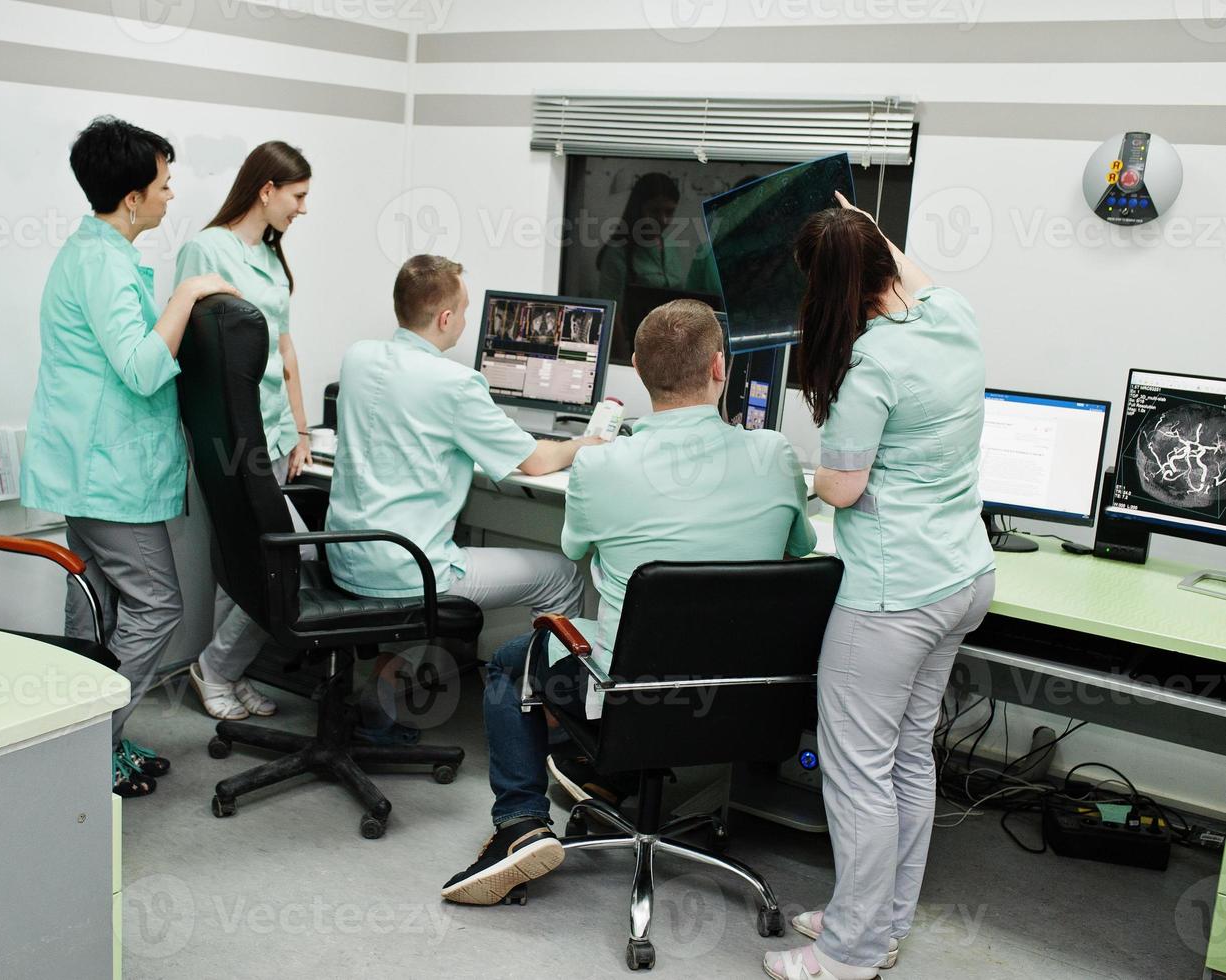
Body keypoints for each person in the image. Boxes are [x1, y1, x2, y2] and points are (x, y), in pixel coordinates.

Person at [441, 299, 816, 905]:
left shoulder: (601, 466)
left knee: (514, 663)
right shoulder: (776, 457)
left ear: (637, 369)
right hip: (748, 704)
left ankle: (520, 824)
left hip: (633, 696)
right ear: (721, 367)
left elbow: (575, 547)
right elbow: (799, 546)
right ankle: (604, 781)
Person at [762, 194, 995, 980]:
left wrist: (813, 475)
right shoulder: (953, 313)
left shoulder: (871, 367)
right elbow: (907, 270)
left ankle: (849, 953)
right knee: (906, 762)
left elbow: (842, 489)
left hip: (893, 594)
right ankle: (879, 921)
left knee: (858, 770)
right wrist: (861, 224)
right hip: (963, 575)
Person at [19, 116, 240, 798]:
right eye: (165, 184)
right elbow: (144, 370)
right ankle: (90, 743)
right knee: (155, 606)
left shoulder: (93, 252)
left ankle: (89, 743)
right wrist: (186, 292)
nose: (171, 196)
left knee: (98, 608)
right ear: (132, 196)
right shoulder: (105, 264)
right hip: (107, 472)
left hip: (91, 467)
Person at [325, 254, 601, 743]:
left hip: (346, 558)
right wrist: (583, 444)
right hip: (409, 569)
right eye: (466, 311)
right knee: (562, 577)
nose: (467, 322)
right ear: (446, 318)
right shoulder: (455, 385)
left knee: (448, 548)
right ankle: (560, 730)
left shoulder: (358, 357)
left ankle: (382, 700)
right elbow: (534, 462)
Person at [177, 141, 314, 723]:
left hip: (274, 432)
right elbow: (191, 344)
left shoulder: (272, 256)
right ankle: (217, 667)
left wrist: (302, 431)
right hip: (230, 435)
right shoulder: (207, 250)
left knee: (251, 565)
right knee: (271, 556)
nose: (303, 208)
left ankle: (226, 671)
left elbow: (284, 348)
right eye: (298, 196)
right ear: (267, 190)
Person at [596, 171, 690, 362]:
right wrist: (626, 362)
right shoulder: (617, 253)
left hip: (673, 353)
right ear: (638, 209)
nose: (663, 219)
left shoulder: (671, 246)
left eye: (669, 212)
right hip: (634, 353)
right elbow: (612, 317)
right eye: (654, 211)